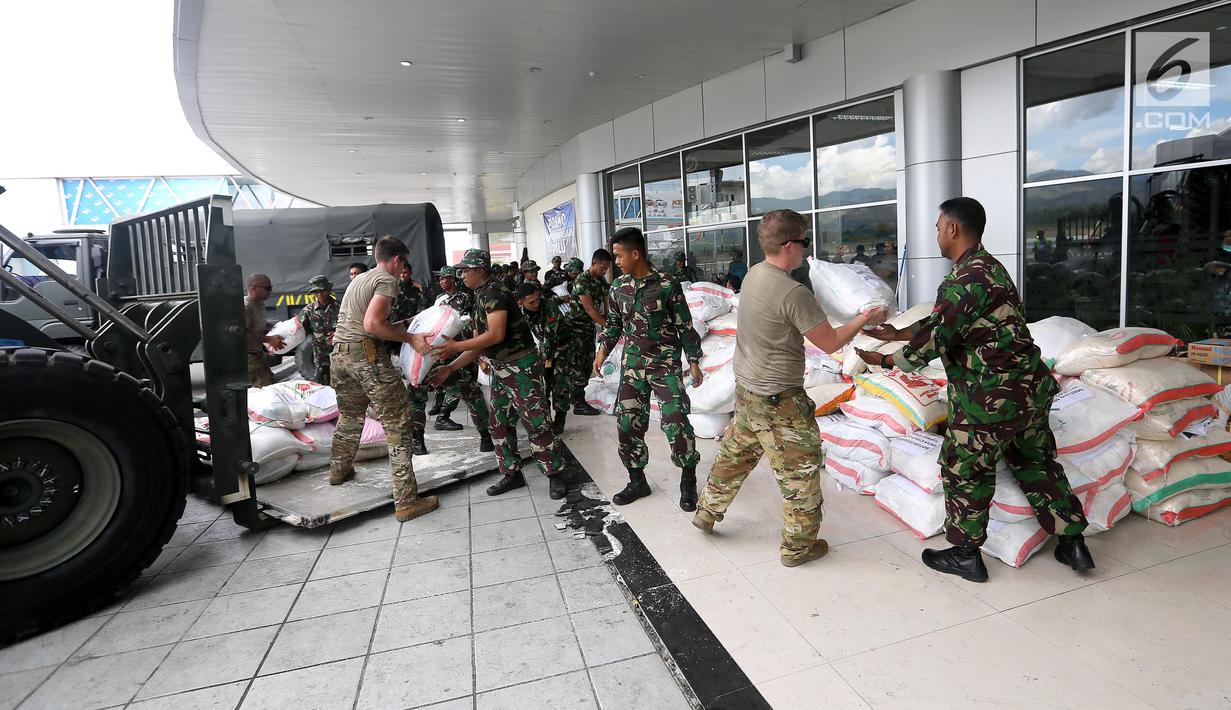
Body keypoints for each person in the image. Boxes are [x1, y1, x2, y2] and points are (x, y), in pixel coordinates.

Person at [856, 197, 1092, 583]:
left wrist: (883, 359)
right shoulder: (990, 269)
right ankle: (1073, 543)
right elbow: (949, 322)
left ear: (952, 228)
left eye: (937, 227)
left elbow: (932, 343)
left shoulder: (963, 279)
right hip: (1030, 390)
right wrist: (898, 332)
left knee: (964, 468)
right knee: (1036, 462)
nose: (935, 234)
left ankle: (965, 554)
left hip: (989, 398)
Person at [693, 209, 886, 567]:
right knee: (800, 475)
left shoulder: (753, 276)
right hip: (779, 400)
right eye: (804, 242)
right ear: (789, 245)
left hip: (749, 392)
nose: (806, 249)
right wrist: (865, 317)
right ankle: (798, 548)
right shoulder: (792, 292)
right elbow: (829, 342)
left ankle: (707, 511)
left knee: (734, 457)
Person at [429, 249, 569, 499]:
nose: (461, 275)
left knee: (536, 422)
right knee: (498, 424)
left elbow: (495, 335)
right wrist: (450, 367)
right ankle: (512, 474)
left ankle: (555, 474)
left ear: (480, 270)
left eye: (465, 270)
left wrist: (454, 347)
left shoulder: (495, 292)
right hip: (501, 368)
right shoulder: (480, 295)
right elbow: (480, 344)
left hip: (521, 366)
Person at [329, 236, 438, 522]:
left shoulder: (359, 279)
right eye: (403, 263)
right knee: (398, 423)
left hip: (340, 357)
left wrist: (400, 327)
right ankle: (406, 502)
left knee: (350, 416)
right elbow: (373, 325)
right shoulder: (386, 280)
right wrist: (410, 337)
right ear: (398, 260)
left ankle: (339, 470)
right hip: (366, 358)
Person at [597, 227, 706, 510]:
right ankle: (637, 480)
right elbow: (612, 326)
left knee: (676, 421)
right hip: (633, 369)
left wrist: (693, 361)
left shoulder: (668, 284)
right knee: (627, 424)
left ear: (635, 254)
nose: (616, 261)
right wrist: (602, 351)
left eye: (619, 256)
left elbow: (684, 325)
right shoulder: (617, 288)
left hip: (664, 367)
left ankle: (688, 480)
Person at [517, 281, 573, 434]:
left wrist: (544, 363)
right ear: (520, 302)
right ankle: (545, 418)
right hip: (541, 350)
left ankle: (560, 420)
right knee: (542, 387)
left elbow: (550, 336)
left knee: (560, 385)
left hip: (562, 348)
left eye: (538, 298)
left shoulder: (549, 307)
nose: (536, 303)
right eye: (531, 302)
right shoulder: (519, 313)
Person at [390, 263, 431, 456]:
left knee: (416, 389)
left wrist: (422, 290)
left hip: (414, 343)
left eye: (407, 271)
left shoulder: (418, 291)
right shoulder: (388, 290)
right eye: (401, 272)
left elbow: (427, 315)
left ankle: (418, 439)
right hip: (391, 344)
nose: (403, 274)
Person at [568, 251, 613, 416]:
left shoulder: (600, 281)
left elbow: (608, 299)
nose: (604, 271)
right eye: (602, 267)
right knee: (580, 364)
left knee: (587, 363)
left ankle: (575, 396)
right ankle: (579, 403)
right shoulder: (582, 280)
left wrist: (611, 317)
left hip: (588, 327)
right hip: (575, 327)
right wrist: (607, 325)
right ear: (594, 263)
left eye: (607, 268)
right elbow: (589, 308)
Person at [244, 273, 283, 387]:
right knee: (262, 392)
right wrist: (269, 339)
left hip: (257, 356)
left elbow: (255, 323)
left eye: (271, 288)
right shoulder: (246, 306)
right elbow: (241, 334)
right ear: (253, 288)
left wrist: (271, 327)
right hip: (247, 360)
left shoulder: (258, 304)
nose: (270, 291)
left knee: (270, 388)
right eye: (267, 288)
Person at [299, 275, 339, 385]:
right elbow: (300, 330)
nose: (320, 294)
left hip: (339, 352)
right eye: (316, 292)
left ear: (329, 290)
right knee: (320, 383)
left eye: (322, 291)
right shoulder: (308, 310)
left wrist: (338, 333)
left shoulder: (340, 307)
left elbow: (350, 326)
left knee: (342, 383)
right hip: (319, 356)